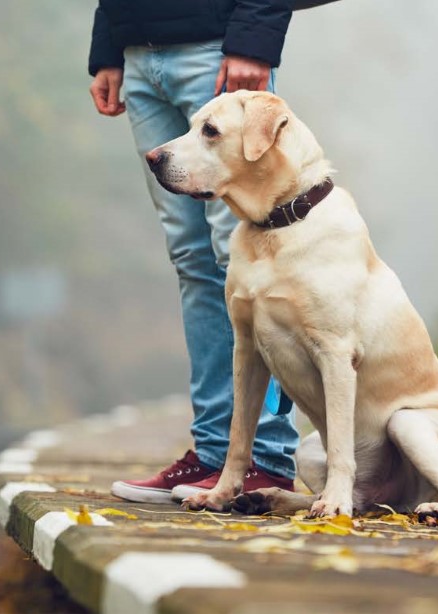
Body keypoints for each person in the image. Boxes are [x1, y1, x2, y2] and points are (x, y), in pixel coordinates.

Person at [88, 1, 299, 504]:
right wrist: (109, 45)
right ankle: (213, 455)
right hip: (140, 58)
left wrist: (254, 35)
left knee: (244, 260)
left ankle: (264, 459)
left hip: (217, 52)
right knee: (193, 261)